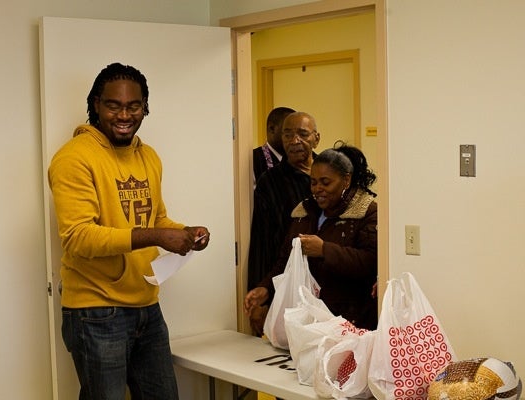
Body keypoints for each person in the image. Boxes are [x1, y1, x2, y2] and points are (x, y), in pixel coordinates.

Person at [48, 62, 210, 400]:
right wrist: (156, 237)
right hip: (95, 311)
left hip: (147, 306)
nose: (124, 114)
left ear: (145, 108)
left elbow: (157, 219)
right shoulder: (73, 158)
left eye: (133, 106)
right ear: (95, 104)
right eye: (113, 105)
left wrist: (186, 232)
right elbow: (78, 237)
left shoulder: (148, 156)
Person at [244, 141, 378, 330]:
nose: (317, 189)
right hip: (307, 319)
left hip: (349, 320)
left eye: (326, 182)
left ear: (346, 181)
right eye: (313, 182)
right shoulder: (304, 211)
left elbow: (370, 263)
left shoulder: (367, 212)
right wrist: (265, 288)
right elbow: (285, 260)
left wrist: (324, 250)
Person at [247, 111, 320, 334]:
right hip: (288, 279)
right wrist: (261, 289)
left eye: (302, 134)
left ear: (316, 138)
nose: (294, 141)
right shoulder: (270, 183)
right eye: (288, 135)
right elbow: (262, 241)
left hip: (327, 279)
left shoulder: (329, 172)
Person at [253, 106, 295, 185]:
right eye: (289, 132)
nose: (296, 138)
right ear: (272, 129)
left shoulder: (302, 159)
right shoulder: (252, 160)